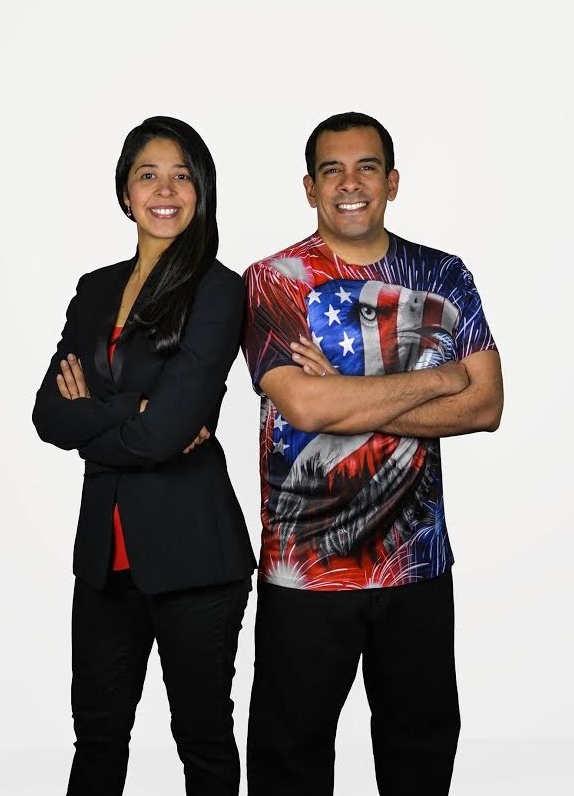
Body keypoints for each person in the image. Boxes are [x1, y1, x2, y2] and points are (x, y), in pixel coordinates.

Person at [241, 111, 503, 796]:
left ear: (392, 181)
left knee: (420, 759)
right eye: (332, 170)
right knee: (289, 765)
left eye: (366, 168)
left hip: (415, 565)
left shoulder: (444, 274)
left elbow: (485, 406)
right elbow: (306, 406)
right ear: (309, 187)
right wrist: (439, 379)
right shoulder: (274, 280)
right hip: (306, 570)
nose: (349, 184)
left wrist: (348, 393)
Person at [32, 115, 256, 796]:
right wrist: (139, 409)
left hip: (195, 556)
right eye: (148, 175)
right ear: (125, 192)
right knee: (97, 739)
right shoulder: (94, 289)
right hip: (105, 560)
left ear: (201, 191)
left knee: (202, 740)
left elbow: (165, 435)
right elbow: (47, 413)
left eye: (182, 176)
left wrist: (103, 417)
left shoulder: (218, 289)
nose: (165, 190)